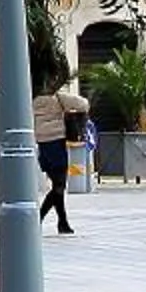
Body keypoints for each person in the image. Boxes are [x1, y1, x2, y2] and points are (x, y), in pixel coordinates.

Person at [33, 68, 90, 234]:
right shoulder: (58, 98)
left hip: (42, 144)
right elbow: (83, 104)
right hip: (57, 143)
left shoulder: (31, 99)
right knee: (59, 186)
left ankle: (62, 222)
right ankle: (39, 218)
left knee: (57, 185)